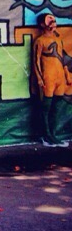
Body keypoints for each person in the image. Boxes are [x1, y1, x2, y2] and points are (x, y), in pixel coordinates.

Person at [33, 13, 71, 147]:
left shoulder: (58, 40)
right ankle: (46, 135)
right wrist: (39, 78)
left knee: (57, 107)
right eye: (50, 20)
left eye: (54, 20)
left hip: (60, 77)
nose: (53, 23)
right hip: (48, 77)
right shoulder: (40, 41)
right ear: (42, 24)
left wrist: (67, 75)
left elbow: (62, 59)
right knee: (46, 107)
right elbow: (36, 61)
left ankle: (53, 134)